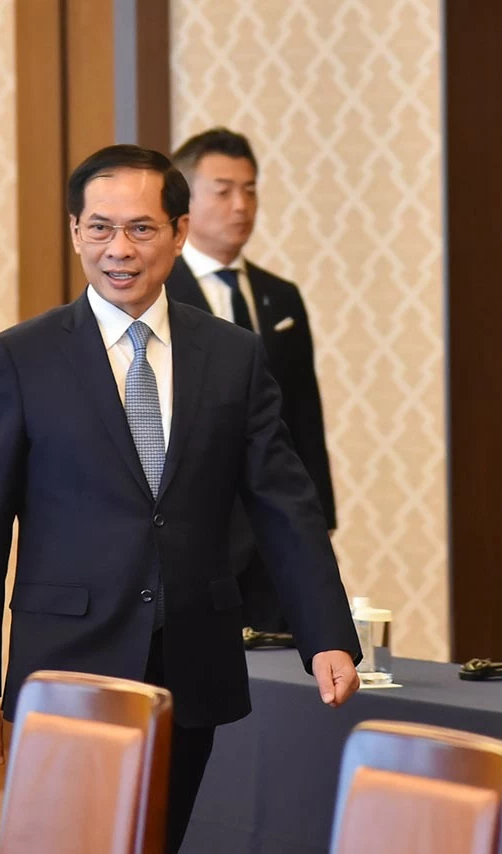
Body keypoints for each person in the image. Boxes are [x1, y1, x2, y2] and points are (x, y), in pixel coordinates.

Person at [0, 144, 360, 853]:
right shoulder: (21, 358)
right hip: (68, 656)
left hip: (191, 655)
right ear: (75, 232)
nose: (119, 249)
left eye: (141, 228)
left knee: (160, 837)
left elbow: (283, 502)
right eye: (99, 228)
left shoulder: (232, 355)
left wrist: (325, 632)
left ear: (179, 231)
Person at [166, 127, 336, 633]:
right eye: (223, 190)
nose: (241, 205)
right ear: (186, 199)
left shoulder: (280, 297)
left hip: (274, 526)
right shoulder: (159, 294)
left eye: (251, 189)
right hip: (197, 529)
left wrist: (317, 518)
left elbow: (304, 411)